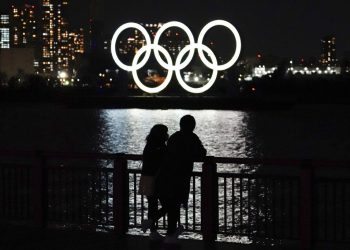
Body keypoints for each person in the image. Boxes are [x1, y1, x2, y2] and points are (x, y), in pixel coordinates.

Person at [157, 115, 207, 243]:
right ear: (192, 126)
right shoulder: (192, 137)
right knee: (175, 204)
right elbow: (202, 153)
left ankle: (169, 232)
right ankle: (170, 234)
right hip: (181, 177)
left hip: (167, 176)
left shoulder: (174, 137)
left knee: (171, 204)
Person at [140, 124, 169, 240]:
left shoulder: (149, 144)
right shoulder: (160, 146)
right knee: (168, 205)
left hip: (146, 178)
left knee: (152, 206)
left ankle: (153, 231)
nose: (167, 134)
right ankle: (151, 223)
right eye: (166, 132)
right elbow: (163, 162)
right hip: (156, 179)